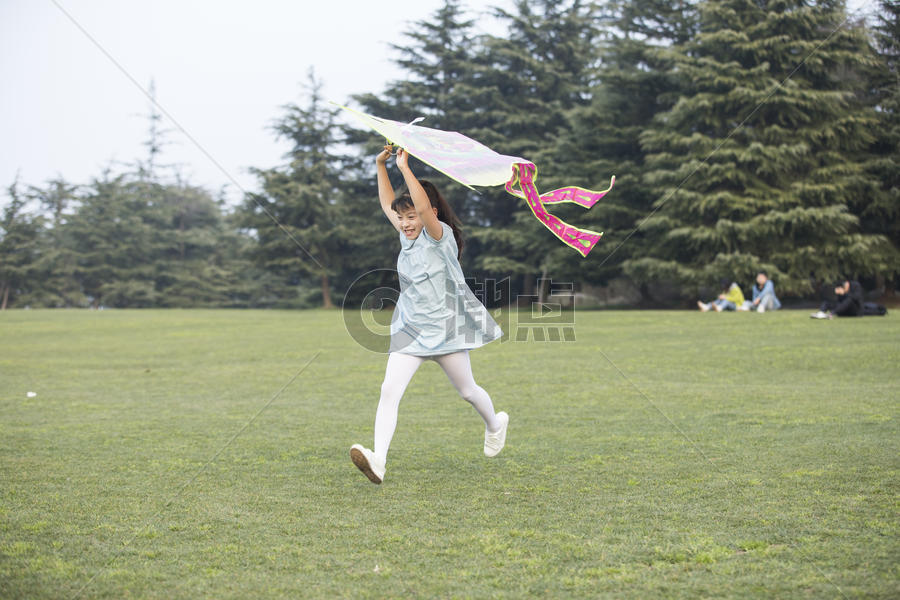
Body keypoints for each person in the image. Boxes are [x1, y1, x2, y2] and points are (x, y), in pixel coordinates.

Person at [349, 146, 508, 485]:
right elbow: (386, 202)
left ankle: (495, 424)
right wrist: (381, 165)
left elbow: (419, 205)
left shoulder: (439, 237)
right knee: (388, 390)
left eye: (412, 217)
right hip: (410, 331)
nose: (405, 223)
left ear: (430, 213)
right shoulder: (407, 237)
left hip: (448, 330)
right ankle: (378, 460)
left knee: (467, 391)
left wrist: (405, 167)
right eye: (401, 218)